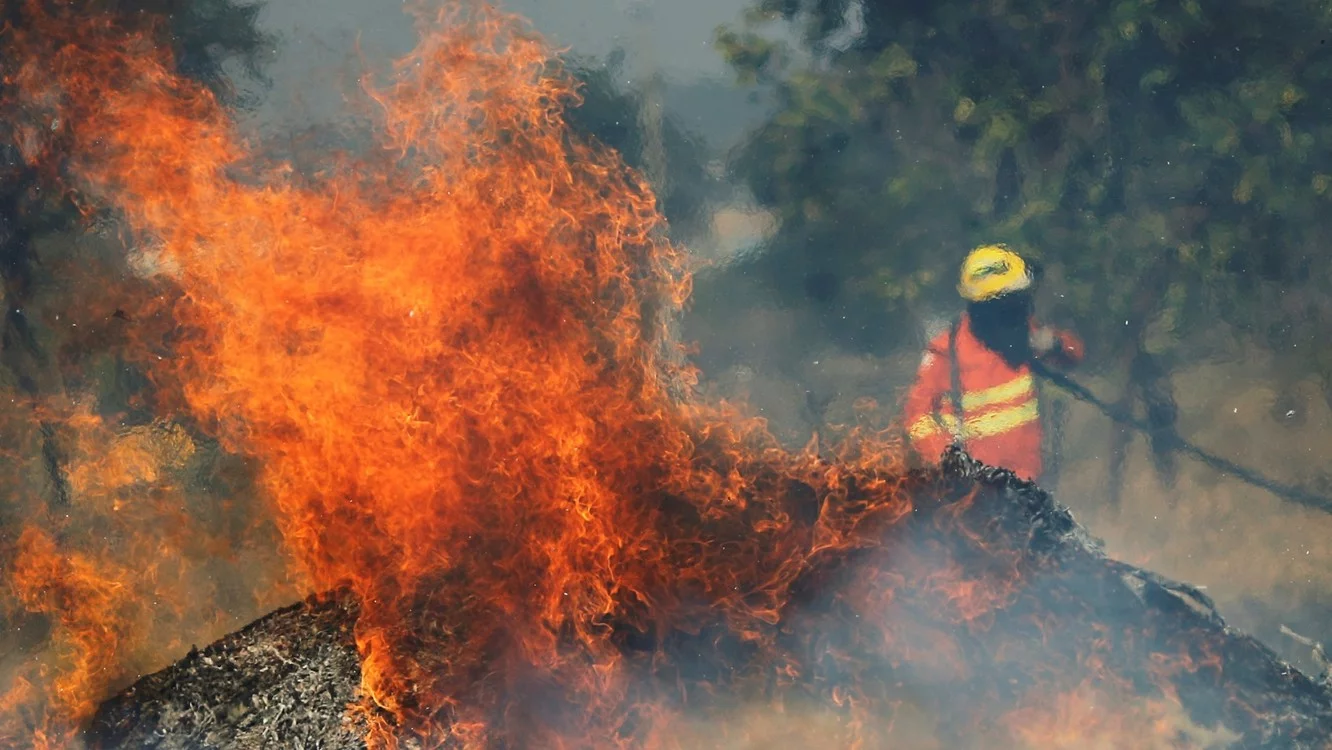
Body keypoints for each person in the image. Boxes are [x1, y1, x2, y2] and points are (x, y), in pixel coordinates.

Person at [904, 244, 1084, 483]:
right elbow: (917, 417)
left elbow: (1074, 356)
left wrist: (1056, 344)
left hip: (1029, 482)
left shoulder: (1023, 332)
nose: (1019, 309)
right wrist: (948, 461)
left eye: (1019, 300)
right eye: (1009, 303)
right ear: (985, 307)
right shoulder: (945, 352)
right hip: (976, 488)